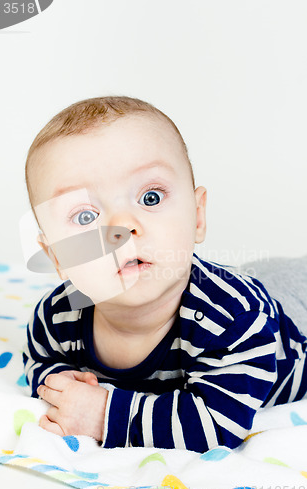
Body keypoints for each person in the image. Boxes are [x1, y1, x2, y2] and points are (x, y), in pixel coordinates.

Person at [22, 96, 307, 453]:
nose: (121, 227)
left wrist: (101, 415)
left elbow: (217, 426)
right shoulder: (57, 317)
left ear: (198, 217)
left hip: (288, 319)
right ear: (57, 257)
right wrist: (58, 383)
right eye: (85, 217)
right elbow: (40, 360)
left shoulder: (235, 322)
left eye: (151, 197)